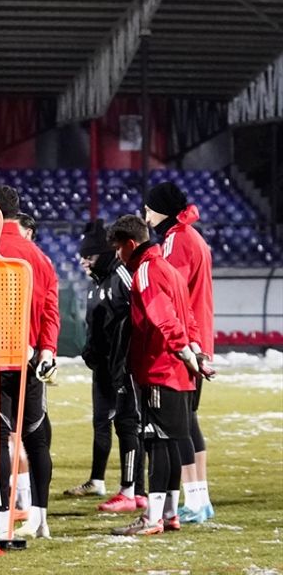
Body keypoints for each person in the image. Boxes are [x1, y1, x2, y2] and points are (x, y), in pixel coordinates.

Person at [0, 186, 59, 540]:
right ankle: (40, 519)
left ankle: (2, 519)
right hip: (31, 359)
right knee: (35, 439)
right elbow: (51, 307)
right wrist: (46, 350)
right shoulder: (39, 255)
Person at [106, 215, 202, 536]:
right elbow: (188, 316)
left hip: (159, 367)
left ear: (130, 244)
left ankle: (152, 518)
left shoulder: (146, 270)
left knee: (156, 441)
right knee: (172, 440)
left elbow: (163, 317)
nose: (117, 254)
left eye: (118, 248)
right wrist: (193, 351)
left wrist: (183, 349)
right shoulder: (169, 269)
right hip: (180, 370)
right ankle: (170, 514)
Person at [143, 181, 217, 524]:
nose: (146, 217)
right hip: (197, 338)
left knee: (179, 423)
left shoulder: (177, 239)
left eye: (149, 209)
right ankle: (201, 498)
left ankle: (196, 501)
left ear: (163, 210)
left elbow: (171, 289)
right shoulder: (192, 236)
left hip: (184, 342)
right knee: (189, 420)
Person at [66, 219, 146, 515]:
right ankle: (98, 481)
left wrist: (124, 360)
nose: (84, 262)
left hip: (124, 367)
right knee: (103, 421)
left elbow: (137, 317)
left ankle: (135, 490)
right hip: (103, 369)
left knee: (129, 426)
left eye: (89, 256)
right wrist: (91, 352)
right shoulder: (95, 284)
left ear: (105, 253)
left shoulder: (122, 277)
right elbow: (96, 326)